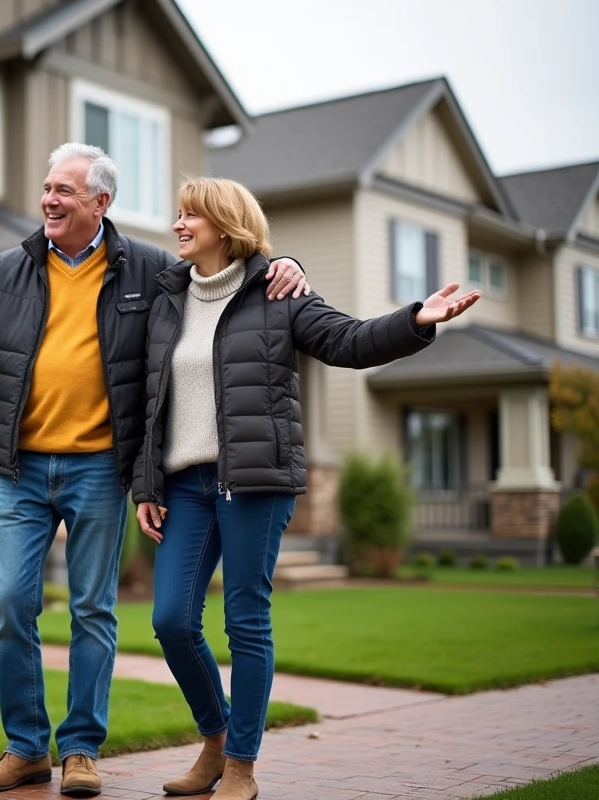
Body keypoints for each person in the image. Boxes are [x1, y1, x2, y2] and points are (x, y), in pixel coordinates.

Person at [0, 144, 309, 797]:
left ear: (100, 202)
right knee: (10, 603)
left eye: (64, 190)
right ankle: (26, 748)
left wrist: (287, 264)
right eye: (47, 187)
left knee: (92, 611)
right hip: (23, 468)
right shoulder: (8, 269)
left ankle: (80, 750)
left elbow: (225, 278)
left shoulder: (149, 269)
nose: (49, 199)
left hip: (99, 466)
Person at [131, 177, 479, 800]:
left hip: (255, 480)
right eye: (178, 214)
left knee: (246, 620)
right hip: (185, 484)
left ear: (226, 225)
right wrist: (146, 483)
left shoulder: (278, 290)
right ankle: (215, 739)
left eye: (192, 215)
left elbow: (347, 340)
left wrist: (415, 321)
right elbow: (151, 399)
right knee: (171, 620)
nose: (178, 224)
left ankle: (241, 766)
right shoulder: (168, 297)